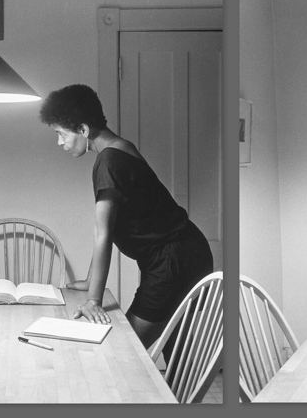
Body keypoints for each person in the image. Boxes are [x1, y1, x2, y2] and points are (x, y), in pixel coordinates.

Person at [39, 84, 214, 360]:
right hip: (187, 251)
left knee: (124, 354)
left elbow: (103, 235)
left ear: (83, 130)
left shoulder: (107, 162)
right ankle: (177, 399)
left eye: (61, 134)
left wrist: (93, 300)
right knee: (173, 345)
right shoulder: (121, 147)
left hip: (172, 259)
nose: (60, 142)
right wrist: (89, 281)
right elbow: (107, 226)